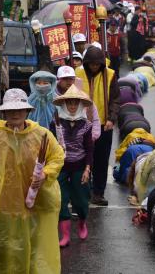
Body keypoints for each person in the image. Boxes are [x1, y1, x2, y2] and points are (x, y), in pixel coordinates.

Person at [0, 88, 65, 273]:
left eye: (20, 109)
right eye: (11, 109)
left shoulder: (42, 135)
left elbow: (57, 157)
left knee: (36, 252)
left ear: (27, 111)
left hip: (36, 205)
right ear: (4, 112)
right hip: (5, 207)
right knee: (6, 251)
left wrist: (45, 174)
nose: (15, 113)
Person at [76, 45, 120, 206]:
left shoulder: (110, 74)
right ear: (86, 63)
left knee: (101, 160)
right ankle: (84, 190)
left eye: (97, 64)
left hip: (103, 125)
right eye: (91, 64)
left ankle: (99, 193)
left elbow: (115, 99)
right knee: (83, 159)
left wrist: (111, 118)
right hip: (81, 125)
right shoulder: (77, 74)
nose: (94, 67)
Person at [50, 84, 94, 247]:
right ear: (65, 104)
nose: (73, 106)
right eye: (70, 103)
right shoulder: (56, 122)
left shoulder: (86, 125)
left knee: (81, 201)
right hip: (60, 166)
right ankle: (66, 235)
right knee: (60, 200)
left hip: (79, 166)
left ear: (80, 104)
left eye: (76, 103)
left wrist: (87, 169)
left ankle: (82, 222)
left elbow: (89, 149)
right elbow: (49, 143)